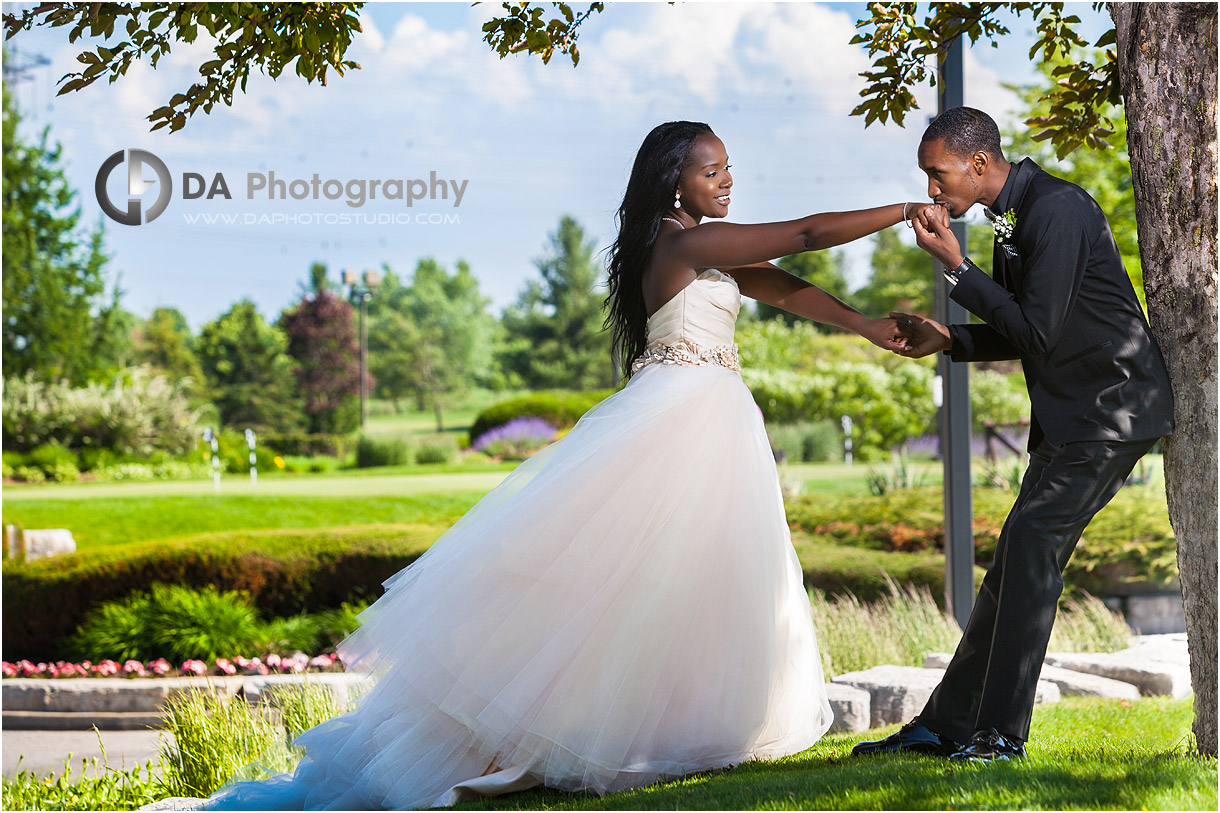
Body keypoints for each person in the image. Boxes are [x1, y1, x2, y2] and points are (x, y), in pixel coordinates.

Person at [204, 120, 922, 810]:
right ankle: (570, 730)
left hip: (712, 415)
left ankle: (675, 727)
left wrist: (865, 326)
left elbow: (777, 283)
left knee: (697, 579)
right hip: (680, 420)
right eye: (713, 170)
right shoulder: (677, 242)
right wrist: (904, 208)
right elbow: (802, 237)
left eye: (729, 167)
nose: (728, 180)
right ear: (675, 182)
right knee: (631, 581)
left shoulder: (695, 243)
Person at [851, 106, 1174, 763]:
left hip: (1114, 411)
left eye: (937, 175)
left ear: (978, 163)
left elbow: (1039, 333)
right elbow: (1019, 327)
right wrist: (947, 337)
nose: (932, 190)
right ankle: (946, 724)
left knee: (1028, 546)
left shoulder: (1055, 209)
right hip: (1074, 415)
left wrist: (955, 268)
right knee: (1013, 561)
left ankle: (999, 734)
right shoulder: (1014, 216)